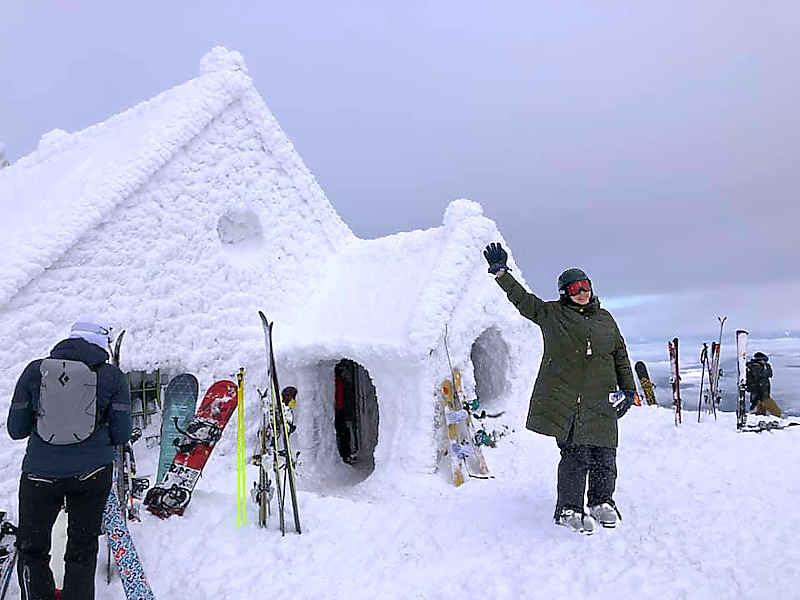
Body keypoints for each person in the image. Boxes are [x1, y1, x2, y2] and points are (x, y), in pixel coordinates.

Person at [484, 243, 636, 535]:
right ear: (565, 292)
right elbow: (524, 301)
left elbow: (620, 354)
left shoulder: (606, 319)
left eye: (586, 285)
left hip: (602, 400)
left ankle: (602, 501)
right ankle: (569, 509)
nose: (582, 292)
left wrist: (629, 390)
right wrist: (503, 274)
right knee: (576, 457)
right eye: (575, 287)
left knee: (605, 454)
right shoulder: (552, 315)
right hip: (571, 402)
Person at [7, 316, 131, 599]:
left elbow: (16, 429)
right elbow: (122, 434)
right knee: (82, 549)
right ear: (103, 343)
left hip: (39, 474)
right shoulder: (112, 376)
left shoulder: (34, 371)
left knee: (32, 548)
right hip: (91, 474)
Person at [746, 352, 781, 417]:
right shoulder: (755, 367)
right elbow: (761, 375)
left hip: (763, 392)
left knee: (761, 410)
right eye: (764, 360)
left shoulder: (761, 366)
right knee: (776, 411)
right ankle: (779, 418)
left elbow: (770, 374)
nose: (765, 362)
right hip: (760, 392)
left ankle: (761, 418)